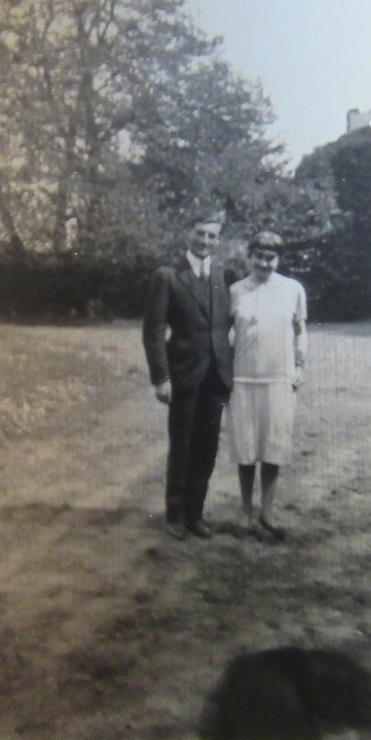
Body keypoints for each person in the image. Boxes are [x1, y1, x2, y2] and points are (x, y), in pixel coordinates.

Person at [142, 211, 234, 541]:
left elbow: (228, 325)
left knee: (206, 447)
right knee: (181, 445)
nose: (205, 240)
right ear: (188, 234)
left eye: (211, 236)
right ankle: (176, 515)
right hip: (183, 374)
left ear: (218, 240)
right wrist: (160, 378)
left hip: (216, 378)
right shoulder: (167, 276)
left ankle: (196, 514)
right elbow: (153, 331)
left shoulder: (223, 276)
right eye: (200, 233)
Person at [227, 230, 307, 540]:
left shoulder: (293, 290)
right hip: (243, 378)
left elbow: (301, 330)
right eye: (259, 256)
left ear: (279, 259)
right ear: (250, 256)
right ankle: (246, 511)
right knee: (246, 448)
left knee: (274, 447)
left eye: (271, 257)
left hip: (279, 377)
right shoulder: (235, 291)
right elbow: (225, 336)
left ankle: (267, 512)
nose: (265, 263)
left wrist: (299, 365)